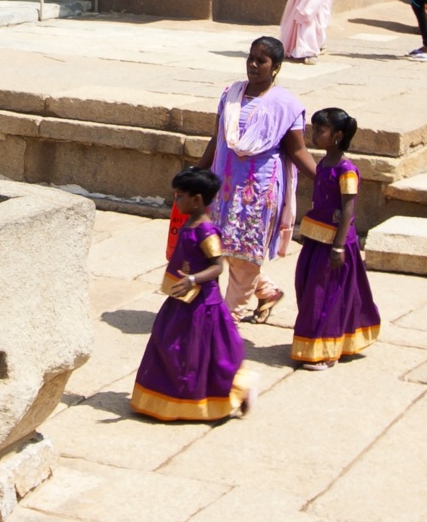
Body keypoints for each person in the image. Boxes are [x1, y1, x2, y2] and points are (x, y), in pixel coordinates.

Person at [130, 166, 257, 422]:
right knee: (168, 345)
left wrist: (192, 279)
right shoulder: (189, 223)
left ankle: (236, 389)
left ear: (197, 199)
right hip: (180, 300)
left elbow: (218, 265)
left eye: (180, 195)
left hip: (202, 304)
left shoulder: (206, 232)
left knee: (199, 353)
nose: (176, 200)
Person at [210, 35, 312, 321]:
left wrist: (328, 177)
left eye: (261, 61)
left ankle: (227, 321)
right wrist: (197, 174)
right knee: (227, 247)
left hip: (258, 193)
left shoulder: (285, 105)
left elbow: (298, 150)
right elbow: (216, 139)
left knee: (245, 254)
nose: (253, 65)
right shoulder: (231, 94)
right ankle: (267, 291)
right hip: (225, 186)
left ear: (276, 67)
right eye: (250, 58)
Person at [291, 108, 381, 365]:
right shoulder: (322, 164)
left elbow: (348, 209)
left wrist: (339, 247)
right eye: (314, 129)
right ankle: (316, 341)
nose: (314, 134)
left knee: (326, 296)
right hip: (315, 239)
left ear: (338, 135)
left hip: (334, 244)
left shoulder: (347, 170)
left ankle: (326, 350)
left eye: (321, 130)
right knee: (308, 289)